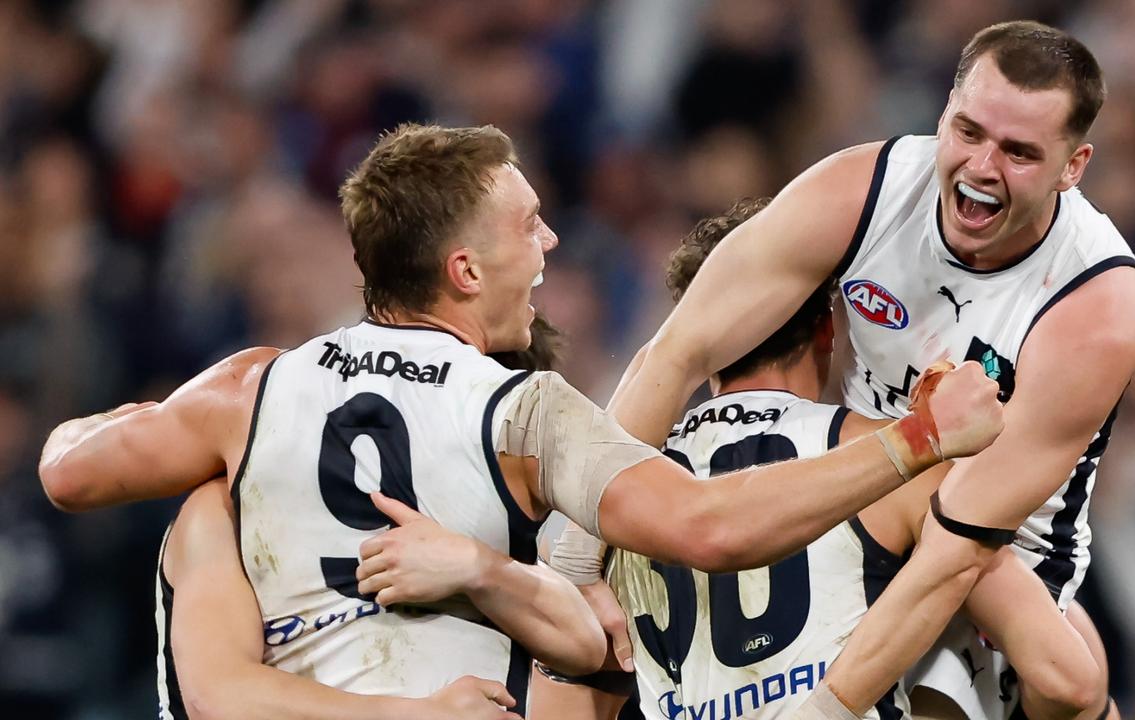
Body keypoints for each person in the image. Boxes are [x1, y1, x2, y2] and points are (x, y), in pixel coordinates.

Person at [38, 124, 1005, 712]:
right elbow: (714, 526)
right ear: (464, 271)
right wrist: (917, 440)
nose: (547, 241)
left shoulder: (251, 390)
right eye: (527, 224)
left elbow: (68, 470)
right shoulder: (526, 412)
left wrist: (166, 426)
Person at [606, 21, 1135, 720]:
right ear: (944, 111)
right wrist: (578, 566)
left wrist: (826, 711)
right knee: (1077, 678)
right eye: (969, 131)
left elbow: (959, 544)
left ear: (1073, 167)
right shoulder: (860, 191)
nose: (982, 167)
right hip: (870, 485)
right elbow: (673, 352)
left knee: (1060, 686)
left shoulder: (1093, 305)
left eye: (1018, 152)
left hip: (989, 541)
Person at [534, 199, 1108, 720]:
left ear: (701, 341)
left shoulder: (615, 508)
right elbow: (1067, 681)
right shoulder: (904, 469)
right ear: (828, 329)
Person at [154, 315, 572, 720]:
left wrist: (490, 572)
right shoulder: (223, 514)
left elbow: (588, 649)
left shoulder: (510, 553)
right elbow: (220, 699)